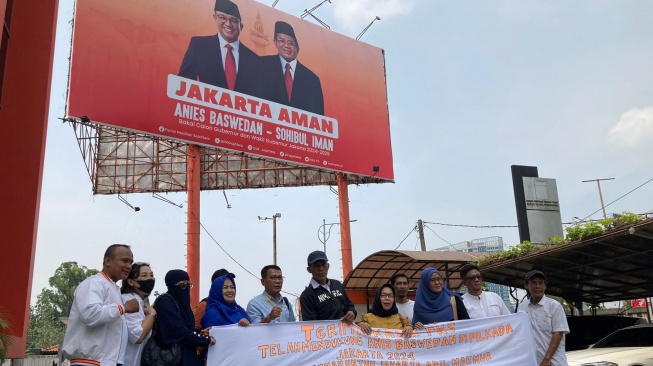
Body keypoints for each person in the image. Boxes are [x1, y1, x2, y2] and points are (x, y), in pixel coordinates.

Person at [62, 244, 140, 366]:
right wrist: (123, 308)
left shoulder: (113, 287)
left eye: (131, 262)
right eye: (125, 261)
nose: (129, 266)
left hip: (104, 361)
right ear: (107, 261)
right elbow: (90, 314)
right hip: (89, 362)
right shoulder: (93, 283)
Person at [178, 0, 260, 96]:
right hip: (206, 109)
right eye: (222, 18)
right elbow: (183, 84)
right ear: (215, 18)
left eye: (233, 20)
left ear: (241, 26)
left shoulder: (255, 60)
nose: (228, 24)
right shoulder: (199, 46)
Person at [260, 21, 324, 115]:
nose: (286, 46)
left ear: (297, 49)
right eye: (281, 41)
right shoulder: (262, 65)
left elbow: (319, 117)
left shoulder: (312, 79)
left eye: (291, 43)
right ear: (275, 42)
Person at [155, 270, 216, 366]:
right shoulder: (166, 302)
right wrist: (205, 340)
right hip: (173, 358)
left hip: (188, 356)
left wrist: (202, 334)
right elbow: (178, 331)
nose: (186, 289)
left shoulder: (184, 307)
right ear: (172, 286)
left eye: (188, 285)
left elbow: (188, 330)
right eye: (182, 285)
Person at [521, 270, 569, 366]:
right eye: (534, 282)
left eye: (540, 283)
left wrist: (547, 359)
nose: (537, 286)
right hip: (533, 361)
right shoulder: (522, 307)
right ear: (526, 285)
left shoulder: (554, 306)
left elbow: (558, 333)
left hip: (554, 362)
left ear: (545, 286)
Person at [299, 250, 356, 322]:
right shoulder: (307, 295)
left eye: (323, 264)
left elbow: (349, 305)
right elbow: (311, 324)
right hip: (324, 333)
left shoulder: (337, 284)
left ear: (328, 266)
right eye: (316, 266)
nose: (321, 269)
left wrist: (351, 312)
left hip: (345, 332)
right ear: (309, 269)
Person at [120, 262, 157, 366]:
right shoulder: (129, 301)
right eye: (144, 276)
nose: (150, 279)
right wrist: (152, 314)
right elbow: (137, 336)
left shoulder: (142, 303)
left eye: (151, 275)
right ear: (131, 282)